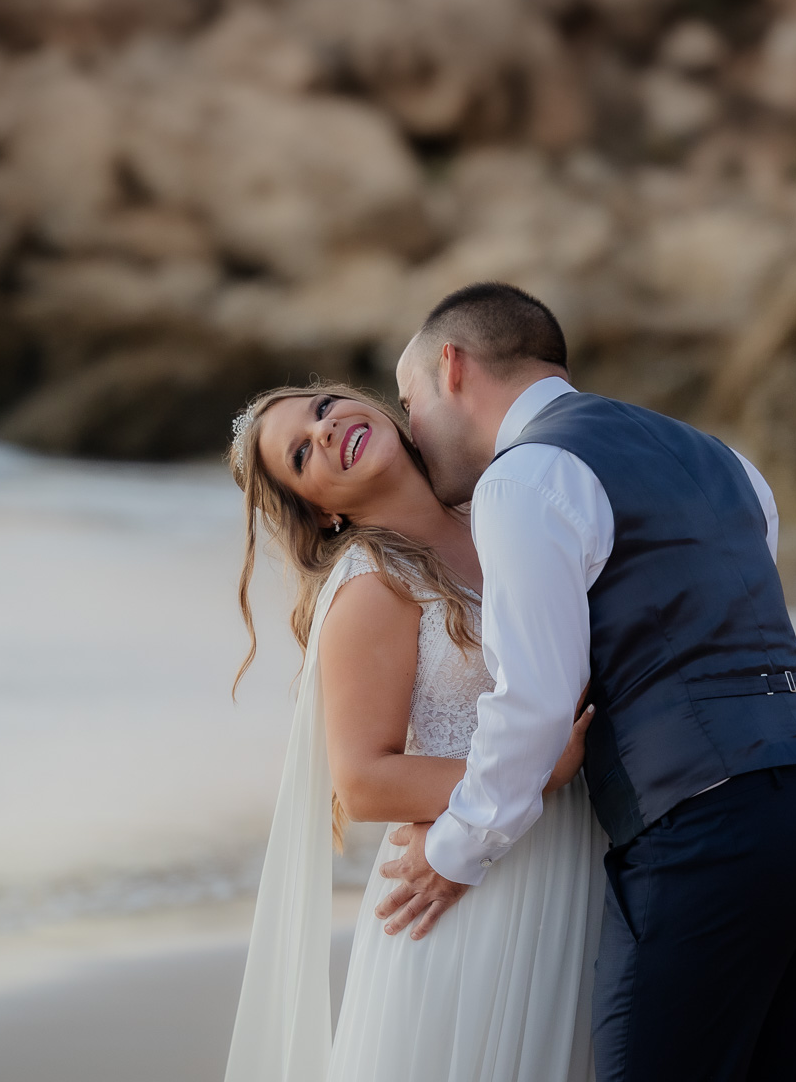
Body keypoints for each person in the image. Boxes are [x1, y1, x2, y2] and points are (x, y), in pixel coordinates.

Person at [383, 282, 796, 1082]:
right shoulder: (725, 461)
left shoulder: (527, 477)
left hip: (706, 831)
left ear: (454, 367)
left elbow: (535, 703)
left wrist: (456, 848)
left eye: (410, 402)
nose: (411, 432)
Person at [222, 382, 603, 1082]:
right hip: (472, 899)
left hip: (577, 858)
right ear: (325, 510)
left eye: (322, 407)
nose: (328, 429)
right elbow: (363, 781)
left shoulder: (507, 507)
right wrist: (538, 772)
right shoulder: (374, 585)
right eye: (302, 453)